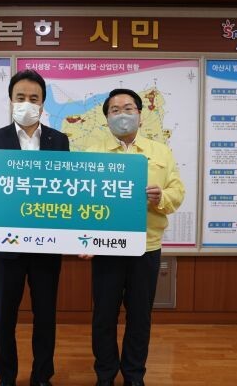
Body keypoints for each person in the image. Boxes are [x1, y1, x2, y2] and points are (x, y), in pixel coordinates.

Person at [0, 69, 70, 386]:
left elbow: (67, 191)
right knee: (4, 317)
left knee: (46, 316)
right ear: (11, 100)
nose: (27, 103)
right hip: (6, 246)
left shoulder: (59, 141)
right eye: (21, 97)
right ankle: (6, 378)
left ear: (43, 103)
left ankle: (42, 377)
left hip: (46, 245)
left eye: (34, 98)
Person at [84, 89, 185, 386]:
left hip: (146, 246)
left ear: (140, 115)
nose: (122, 115)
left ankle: (134, 375)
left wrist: (161, 197)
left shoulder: (160, 152)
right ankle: (105, 375)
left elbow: (177, 192)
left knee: (140, 316)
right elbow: (82, 202)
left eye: (128, 108)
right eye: (114, 110)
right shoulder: (92, 154)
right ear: (107, 118)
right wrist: (83, 239)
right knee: (104, 316)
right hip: (106, 247)